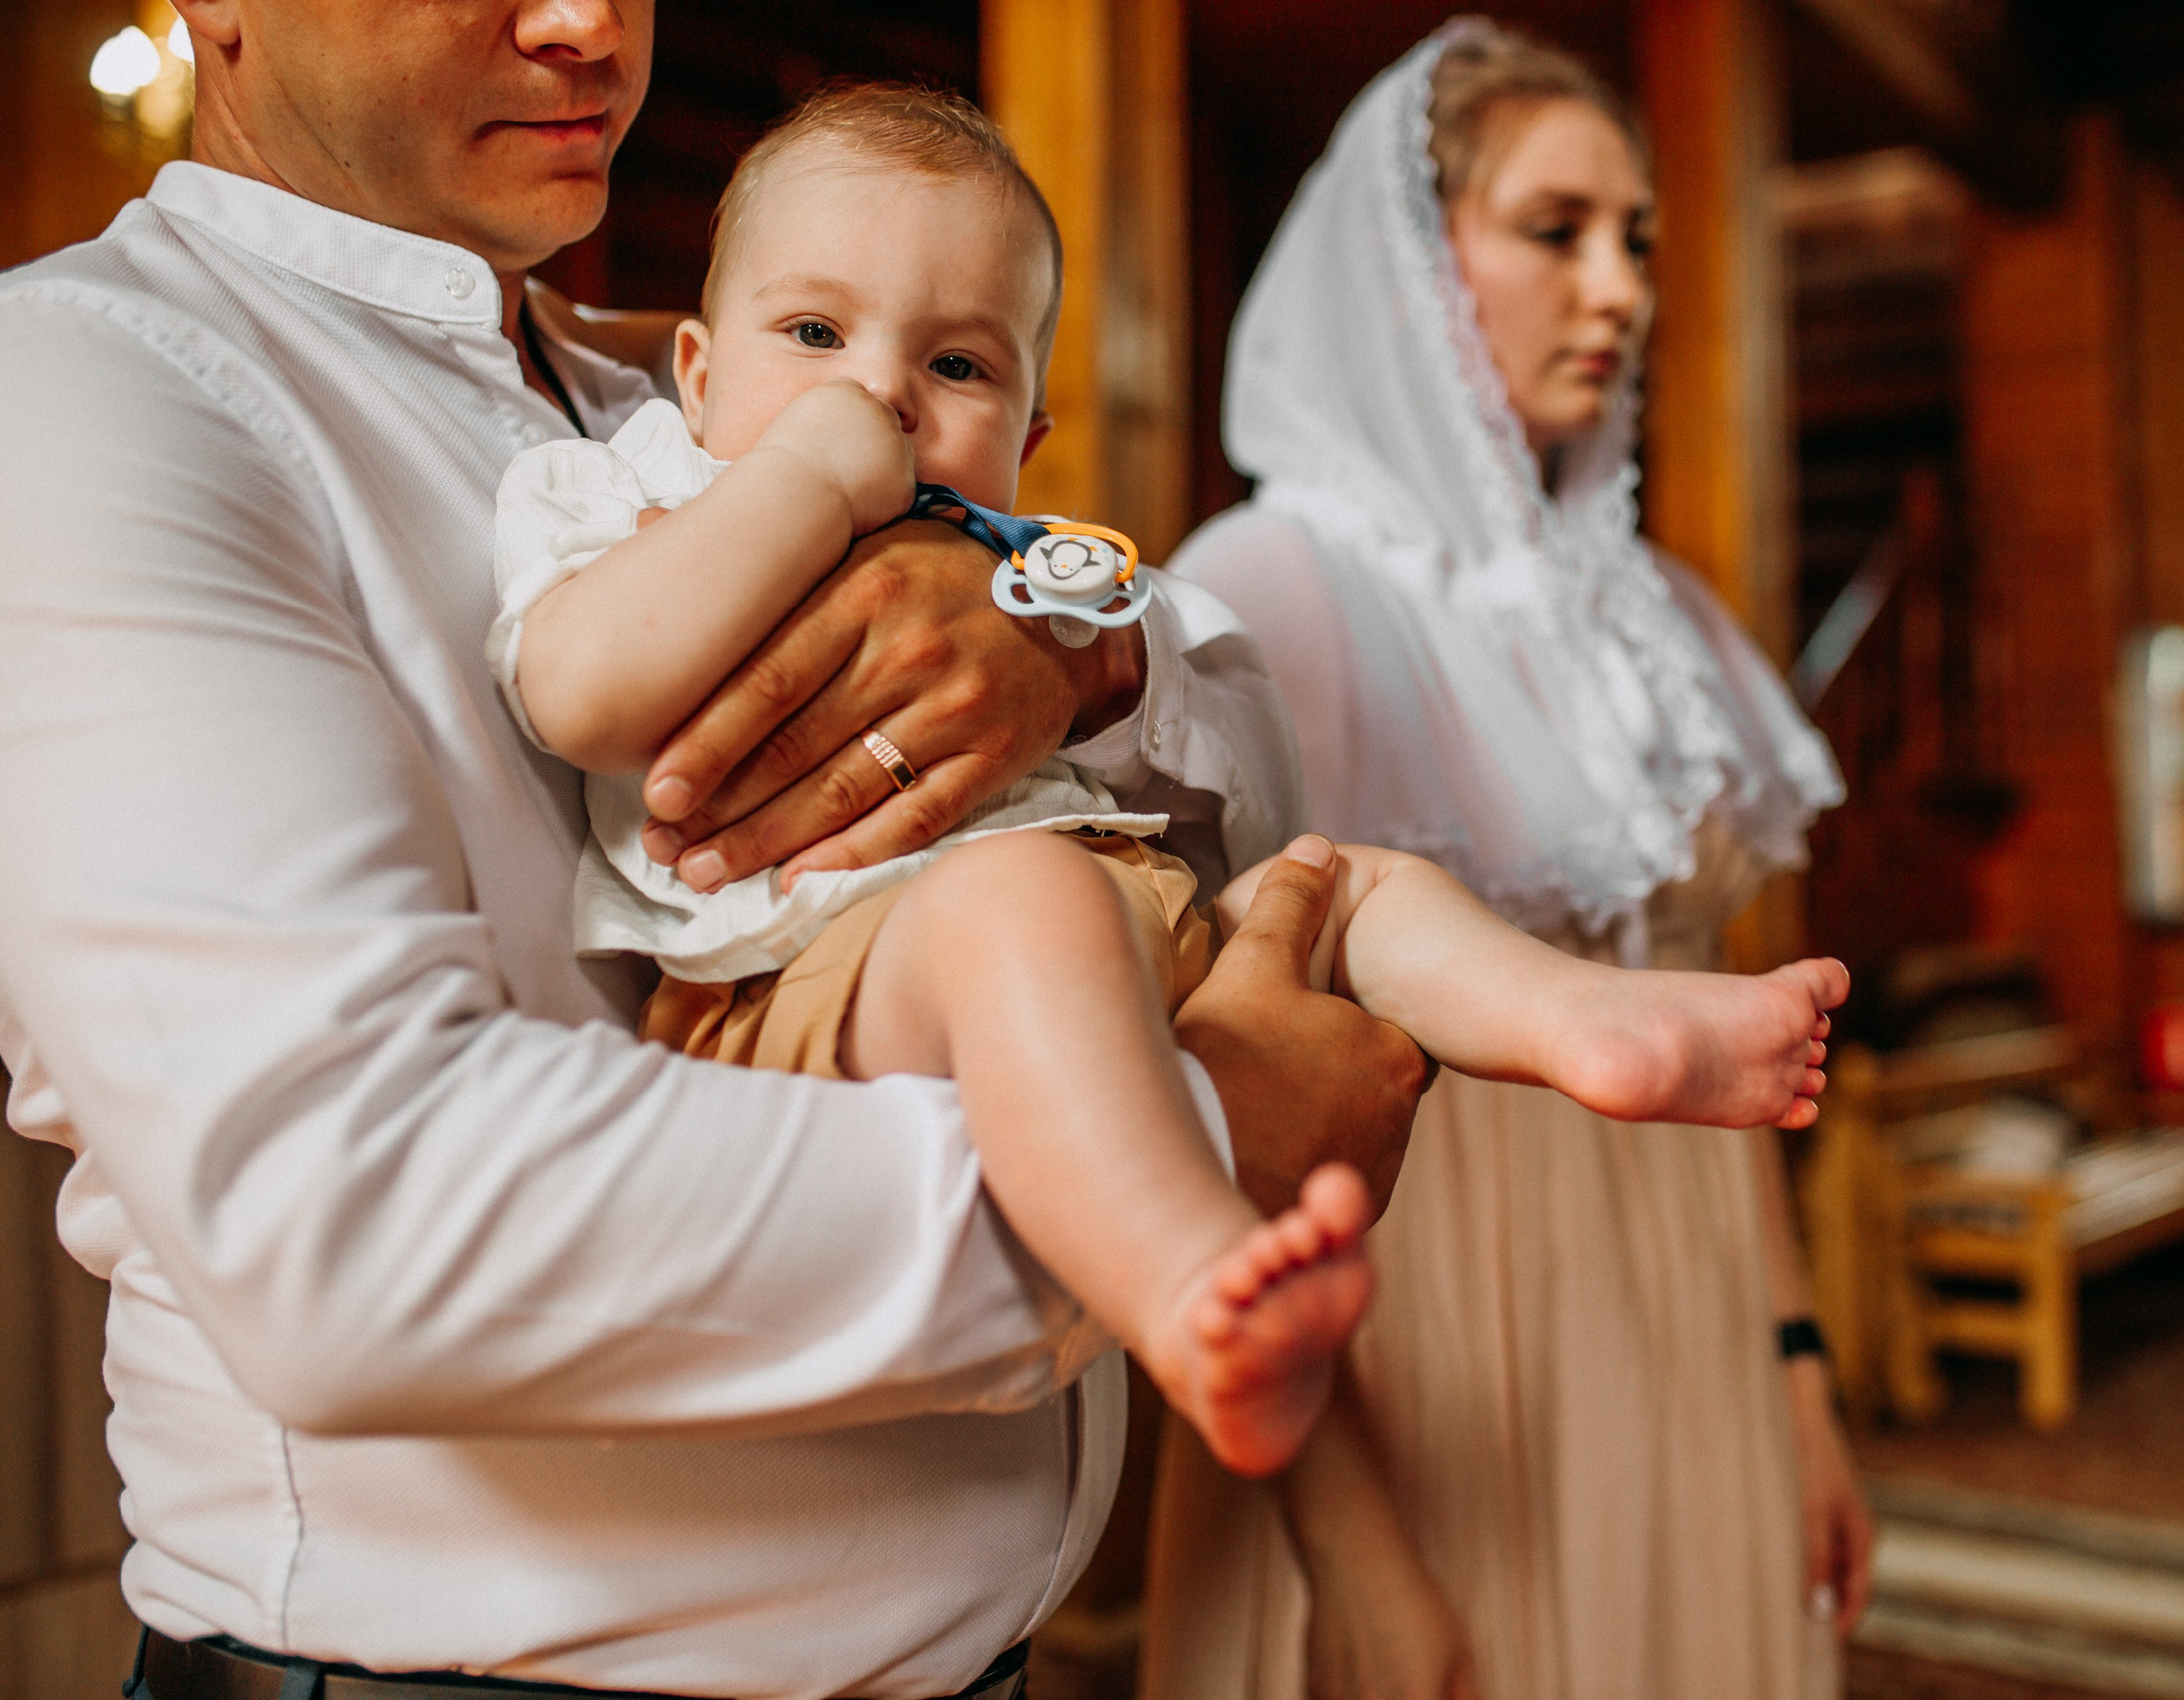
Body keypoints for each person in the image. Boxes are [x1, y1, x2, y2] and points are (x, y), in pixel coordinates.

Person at [0, 3, 1432, 1697]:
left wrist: (1081, 656)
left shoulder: (741, 381)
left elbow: (1259, 785)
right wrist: (1196, 1141)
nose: (590, 22)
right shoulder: (85, 390)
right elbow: (354, 1218)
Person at [494, 82, 1850, 1480]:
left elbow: (1235, 754)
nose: (880, 393)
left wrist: (1074, 641)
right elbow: (584, 691)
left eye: (958, 367)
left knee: (1349, 885)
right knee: (1023, 903)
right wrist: (813, 477)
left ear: (1026, 441)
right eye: (816, 334)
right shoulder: (632, 495)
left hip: (1117, 924)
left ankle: (1591, 1028)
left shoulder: (1037, 578)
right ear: (700, 375)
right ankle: (1192, 1284)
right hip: (806, 983)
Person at [1142, 21, 1874, 1700]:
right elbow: (1216, 1122)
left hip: (1685, 1318)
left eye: (1638, 242)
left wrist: (1797, 1374)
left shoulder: (1664, 620)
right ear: (1408, 267)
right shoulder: (1276, 586)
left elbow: (1739, 1038)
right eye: (1556, 232)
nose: (1617, 289)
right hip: (1418, 1344)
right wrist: (1352, 1538)